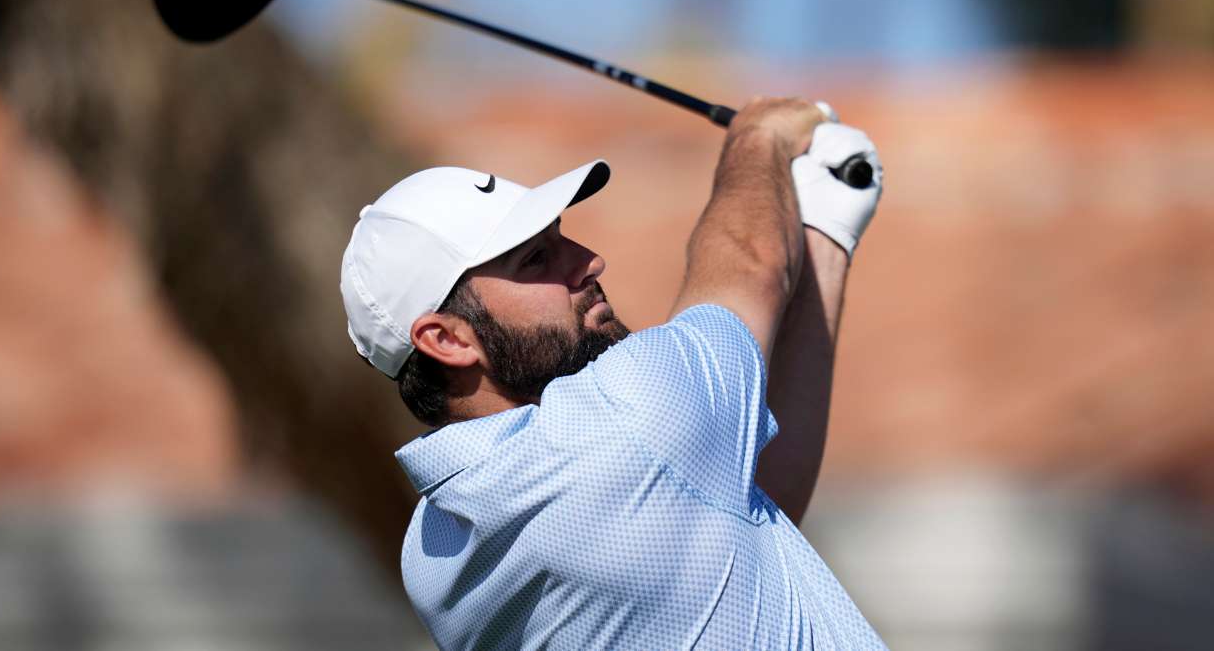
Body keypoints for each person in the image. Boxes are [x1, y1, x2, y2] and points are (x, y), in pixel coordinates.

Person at [341, 98, 887, 650]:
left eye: (560, 238)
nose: (588, 259)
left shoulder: (432, 551)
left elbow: (734, 508)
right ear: (447, 339)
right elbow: (748, 263)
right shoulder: (622, 428)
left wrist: (827, 232)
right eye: (534, 259)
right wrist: (762, 136)